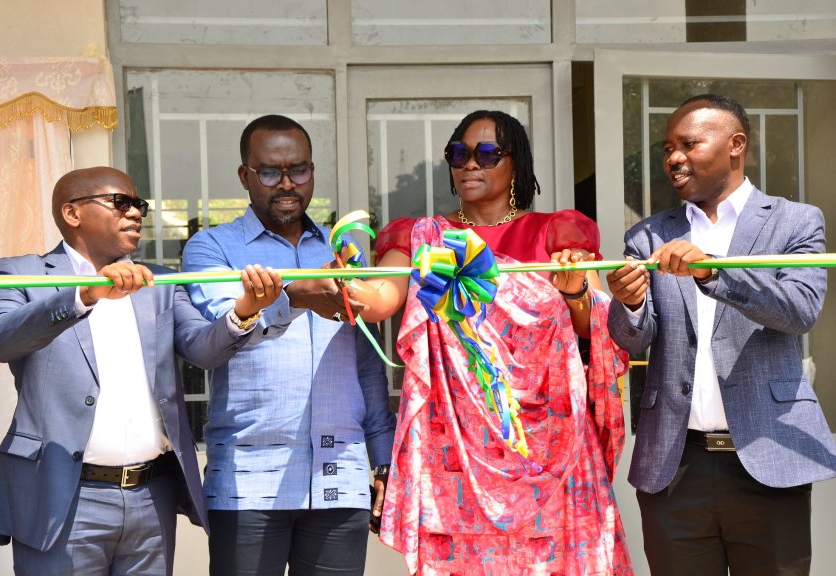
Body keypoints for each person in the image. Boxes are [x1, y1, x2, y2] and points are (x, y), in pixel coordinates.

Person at [345, 110, 632, 575]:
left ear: (516, 162)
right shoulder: (421, 237)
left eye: (487, 154)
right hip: (455, 446)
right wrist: (346, 283)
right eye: (459, 154)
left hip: (550, 444)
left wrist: (575, 289)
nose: (470, 164)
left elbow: (593, 323)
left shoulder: (557, 233)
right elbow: (380, 299)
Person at [0, 166, 282, 575]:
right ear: (72, 213)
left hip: (150, 497)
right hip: (62, 498)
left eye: (139, 205)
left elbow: (202, 349)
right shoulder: (20, 273)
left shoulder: (160, 282)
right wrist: (83, 294)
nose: (135, 212)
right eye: (120, 202)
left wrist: (245, 311)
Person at [606, 93, 836, 576]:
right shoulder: (648, 235)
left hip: (770, 456)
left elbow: (800, 311)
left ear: (736, 145)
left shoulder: (795, 221)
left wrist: (714, 273)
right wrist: (629, 303)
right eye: (668, 148)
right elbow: (632, 340)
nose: (673, 158)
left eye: (688, 144)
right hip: (675, 467)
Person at [181, 114, 396, 576]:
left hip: (339, 474)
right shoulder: (212, 248)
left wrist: (384, 459)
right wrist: (293, 296)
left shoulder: (342, 253)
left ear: (312, 171)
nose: (286, 184)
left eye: (298, 170)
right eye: (269, 172)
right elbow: (220, 336)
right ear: (245, 176)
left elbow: (366, 363)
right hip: (250, 480)